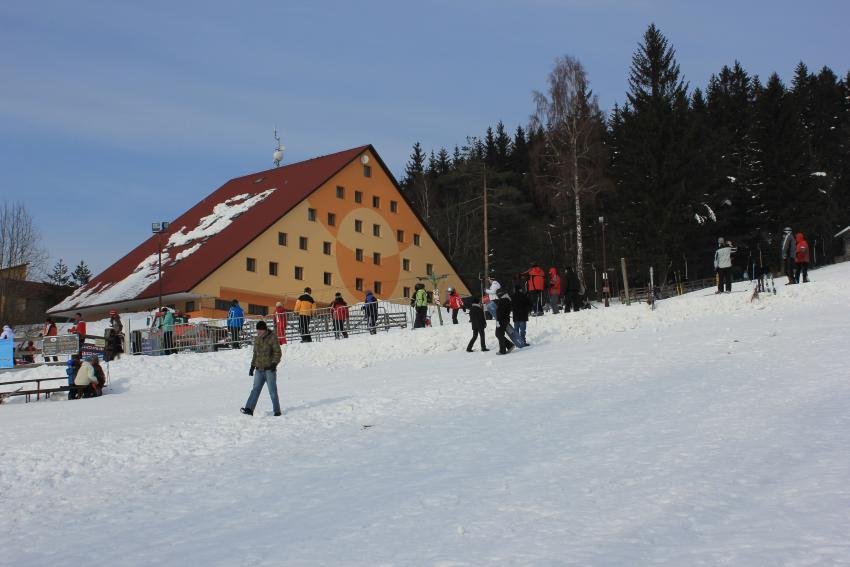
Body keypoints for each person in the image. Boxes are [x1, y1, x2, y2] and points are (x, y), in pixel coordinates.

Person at [241, 320, 283, 416]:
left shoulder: (272, 338)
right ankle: (249, 409)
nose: (258, 332)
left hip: (269, 370)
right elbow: (255, 354)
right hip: (259, 369)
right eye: (257, 330)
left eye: (260, 330)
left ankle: (277, 411)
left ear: (264, 330)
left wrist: (274, 364)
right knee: (255, 389)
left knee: (272, 391)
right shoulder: (257, 339)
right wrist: (252, 366)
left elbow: (278, 353)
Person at [494, 289, 515, 355]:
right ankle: (509, 345)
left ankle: (502, 350)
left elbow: (500, 312)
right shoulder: (507, 299)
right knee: (499, 334)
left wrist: (498, 320)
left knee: (499, 334)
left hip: (501, 320)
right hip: (505, 319)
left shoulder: (503, 300)